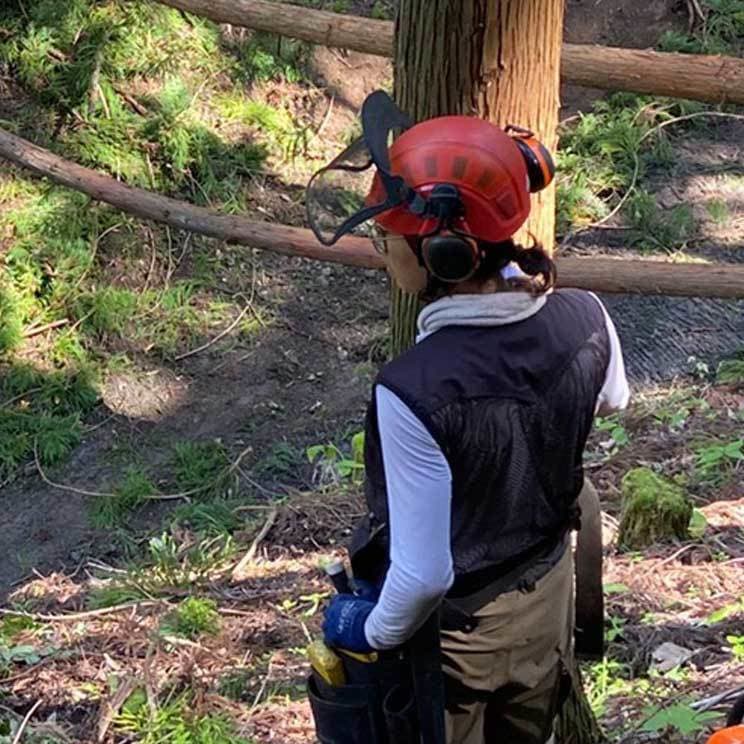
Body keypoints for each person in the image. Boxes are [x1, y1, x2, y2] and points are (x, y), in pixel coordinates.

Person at [308, 91, 630, 744]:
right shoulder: (589, 317)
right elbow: (610, 398)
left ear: (444, 255)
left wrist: (364, 628)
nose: (383, 249)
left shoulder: (412, 391)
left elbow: (423, 575)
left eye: (388, 236)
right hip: (545, 598)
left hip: (461, 643)